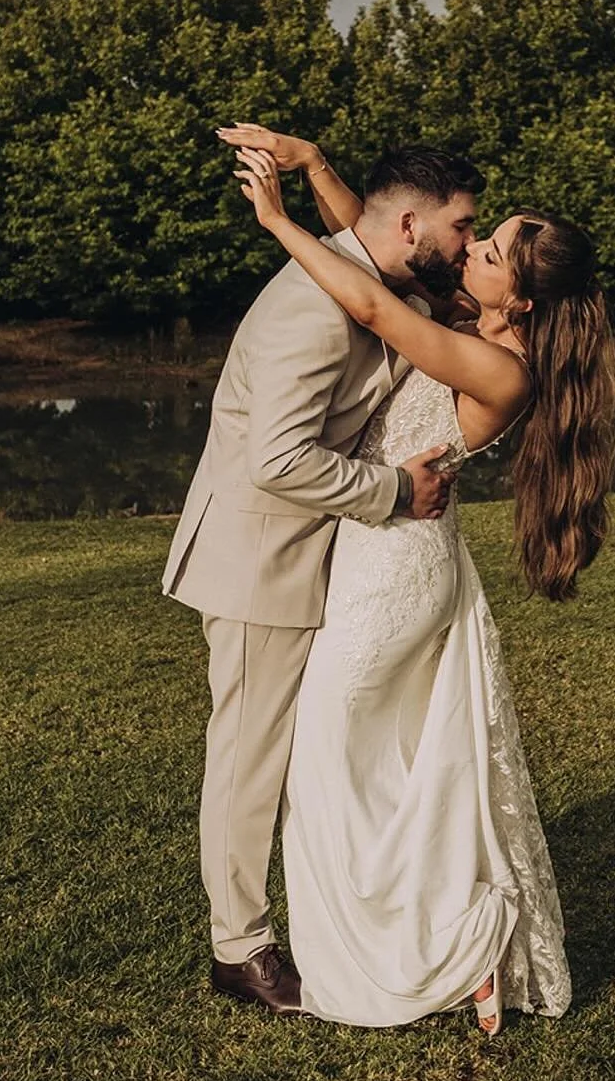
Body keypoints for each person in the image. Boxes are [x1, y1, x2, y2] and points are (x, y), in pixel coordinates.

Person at [225, 124, 615, 1032]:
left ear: (520, 298)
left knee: (330, 765)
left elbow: (372, 303)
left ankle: (436, 949)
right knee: (378, 768)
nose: (468, 249)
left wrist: (278, 223)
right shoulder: (469, 323)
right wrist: (317, 166)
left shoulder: (496, 366)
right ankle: (449, 939)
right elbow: (385, 241)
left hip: (393, 575)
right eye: (476, 234)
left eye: (489, 249)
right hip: (390, 558)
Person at [161, 142, 485, 1013]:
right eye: (462, 226)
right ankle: (240, 951)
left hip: (318, 558)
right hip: (259, 562)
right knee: (249, 760)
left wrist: (311, 163)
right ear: (411, 224)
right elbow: (276, 462)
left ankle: (348, 910)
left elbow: (358, 230)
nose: (469, 241)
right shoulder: (311, 306)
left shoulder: (378, 275)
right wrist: (396, 491)